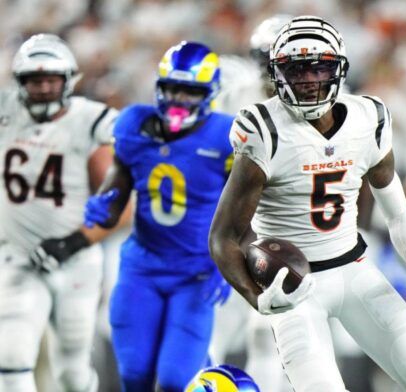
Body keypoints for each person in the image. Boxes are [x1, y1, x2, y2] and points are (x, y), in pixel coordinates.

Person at [209, 16, 406, 391]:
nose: (307, 80)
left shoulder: (369, 117)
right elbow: (223, 236)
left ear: (338, 69)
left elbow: (397, 208)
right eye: (295, 70)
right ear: (276, 75)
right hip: (292, 286)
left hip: (355, 269)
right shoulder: (264, 129)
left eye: (318, 68)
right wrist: (257, 297)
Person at [83, 41, 233, 391]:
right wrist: (102, 205)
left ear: (210, 94)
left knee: (175, 381)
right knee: (134, 376)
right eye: (172, 89)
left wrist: (228, 260)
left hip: (195, 274)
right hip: (142, 270)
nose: (179, 100)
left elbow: (247, 205)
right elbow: (114, 198)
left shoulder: (227, 136)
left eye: (189, 91)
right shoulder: (134, 125)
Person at [0, 34, 120, 392]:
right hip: (18, 257)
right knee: (11, 356)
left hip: (76, 259)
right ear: (20, 82)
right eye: (35, 81)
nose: (43, 89)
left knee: (70, 370)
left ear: (69, 81)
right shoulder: (6, 112)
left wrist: (73, 241)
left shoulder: (89, 121)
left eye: (51, 80)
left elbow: (120, 201)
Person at [210, 14, 295, 392]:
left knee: (269, 332)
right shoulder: (234, 94)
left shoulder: (320, 106)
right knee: (213, 326)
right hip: (227, 221)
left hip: (280, 227)